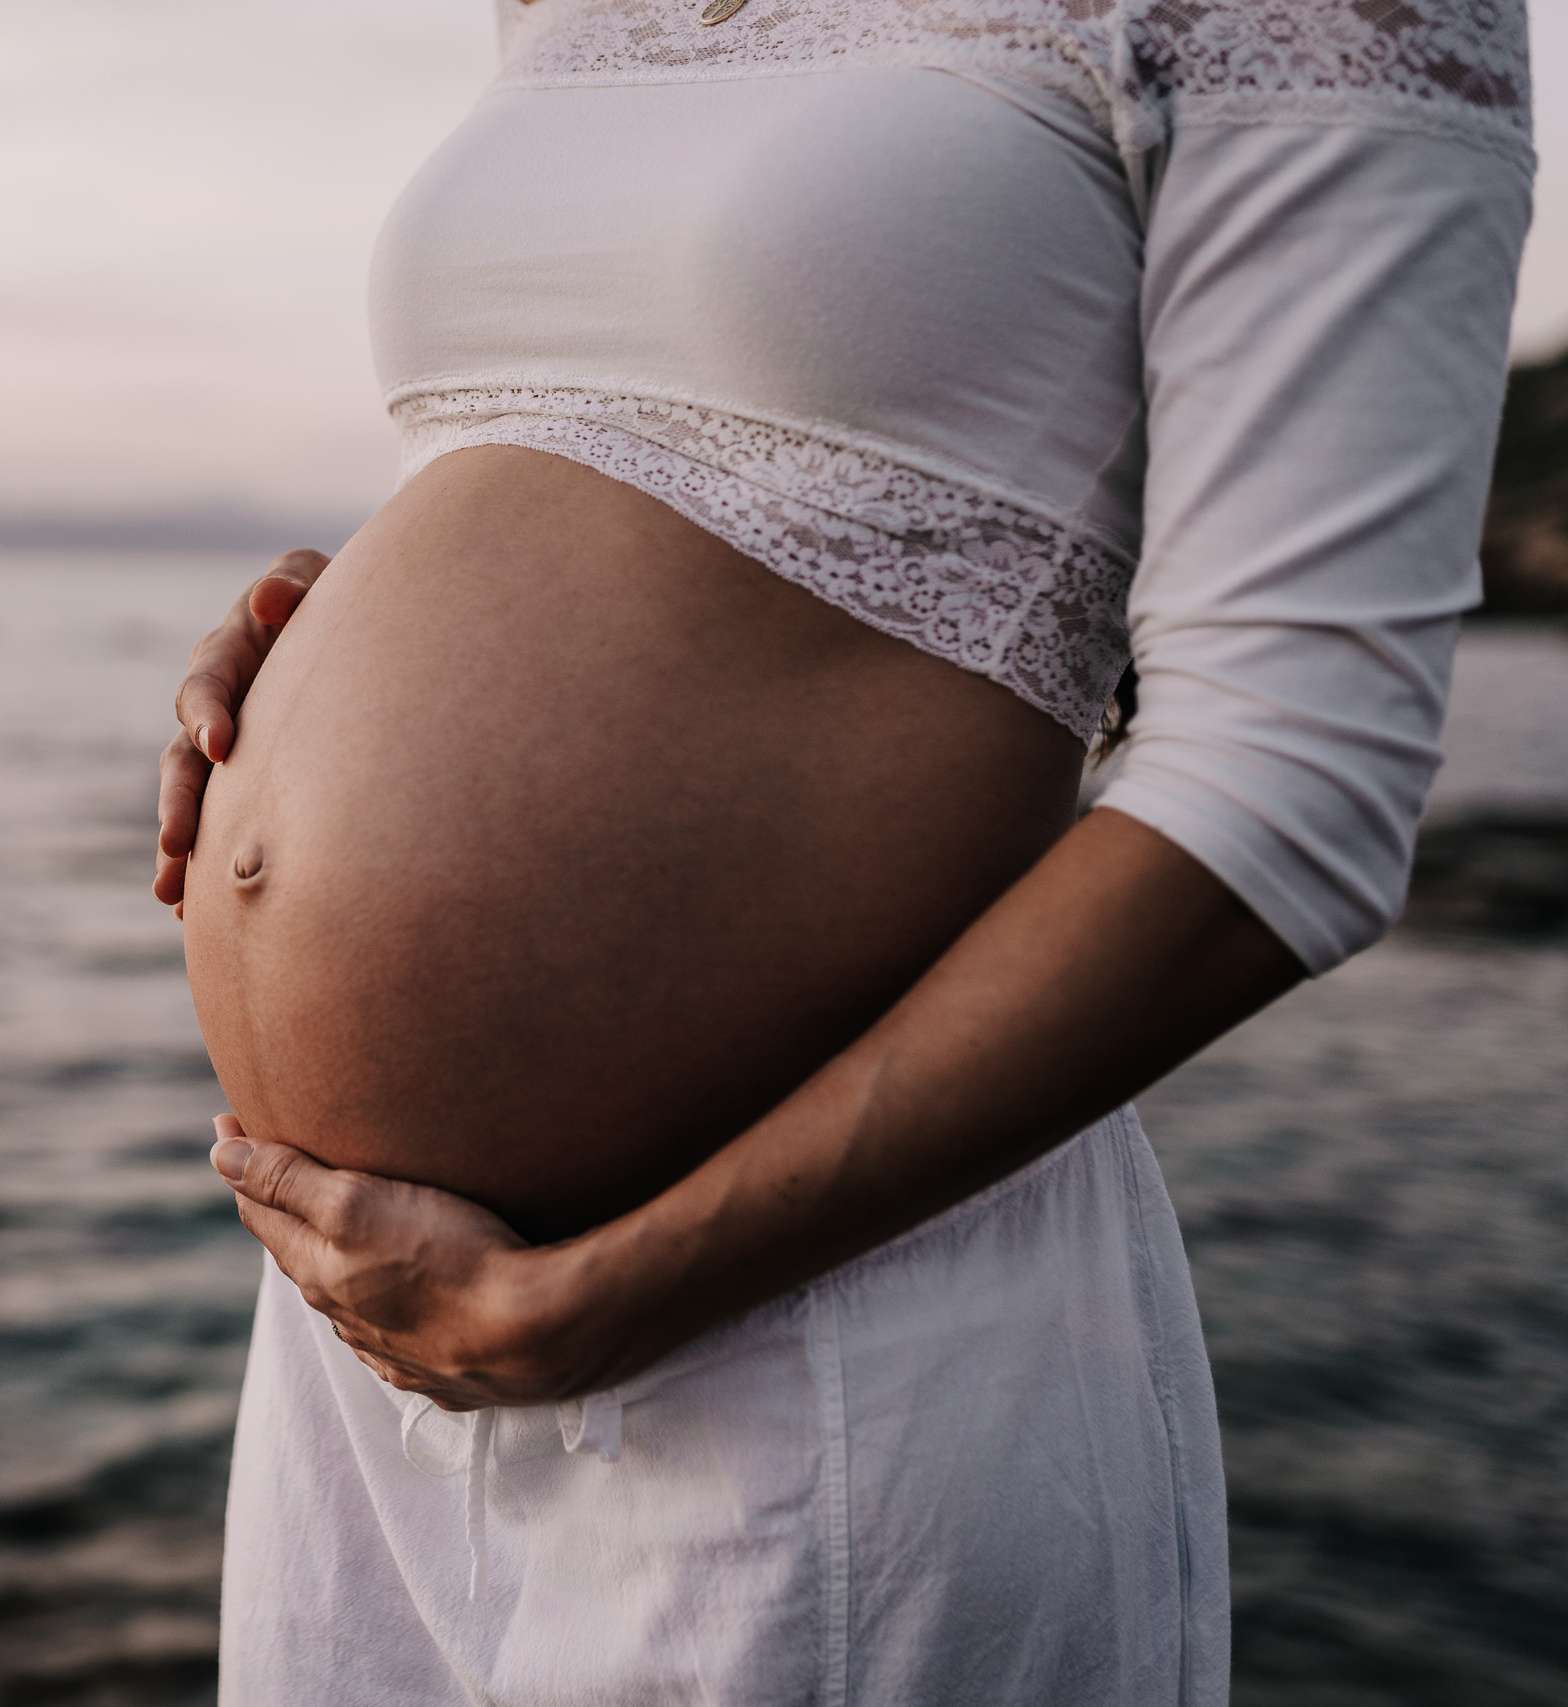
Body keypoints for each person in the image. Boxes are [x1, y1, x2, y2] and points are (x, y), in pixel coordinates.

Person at [153, 0, 1532, 1700]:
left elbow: (1304, 771)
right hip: (363, 1336)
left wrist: (602, 1297)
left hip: (810, 1341)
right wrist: (347, 615)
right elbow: (666, 427)